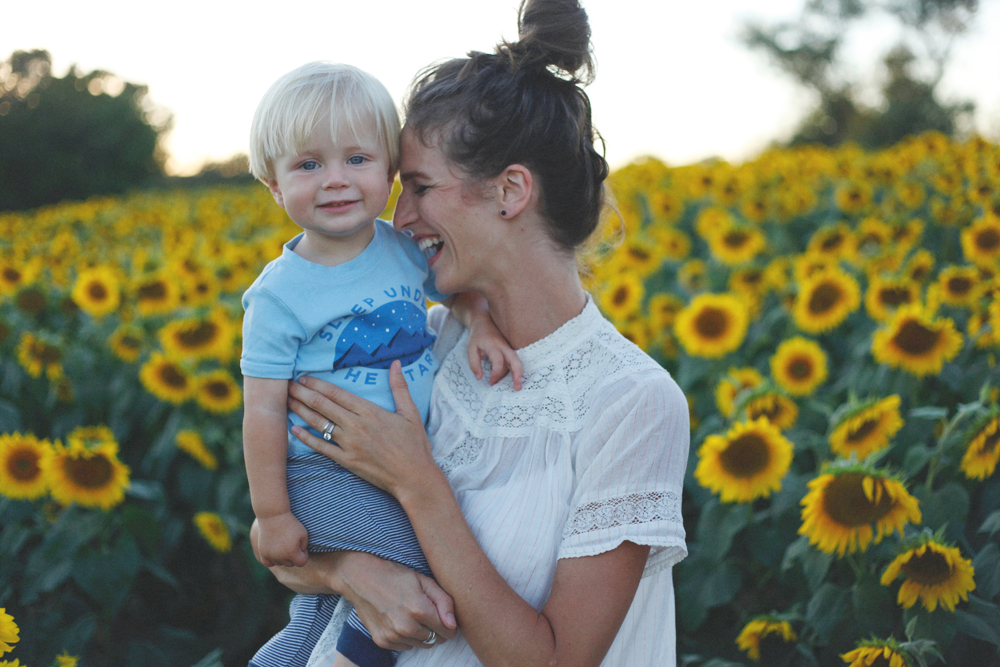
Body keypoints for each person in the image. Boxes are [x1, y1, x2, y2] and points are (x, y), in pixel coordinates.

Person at [262, 1, 690, 664]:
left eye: (422, 187)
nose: (398, 218)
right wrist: (351, 573)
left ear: (510, 191)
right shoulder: (422, 339)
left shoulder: (630, 402)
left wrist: (415, 479)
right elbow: (278, 532)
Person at [241, 62, 522, 667]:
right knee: (418, 568)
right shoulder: (279, 294)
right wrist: (271, 513)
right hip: (325, 472)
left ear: (390, 171)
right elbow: (261, 408)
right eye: (308, 164)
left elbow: (458, 292)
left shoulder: (402, 250)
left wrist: (480, 323)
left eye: (358, 160)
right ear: (273, 183)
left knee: (318, 609)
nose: (335, 180)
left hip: (392, 465)